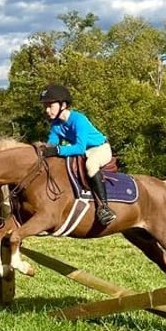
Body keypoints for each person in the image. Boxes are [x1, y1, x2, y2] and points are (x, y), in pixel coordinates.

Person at [39, 84, 117, 226]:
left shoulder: (78, 119)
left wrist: (58, 150)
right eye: (45, 106)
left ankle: (104, 208)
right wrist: (43, 150)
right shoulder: (56, 125)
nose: (47, 110)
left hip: (100, 148)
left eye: (50, 105)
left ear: (63, 105)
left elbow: (80, 148)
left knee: (91, 165)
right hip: (84, 151)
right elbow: (52, 144)